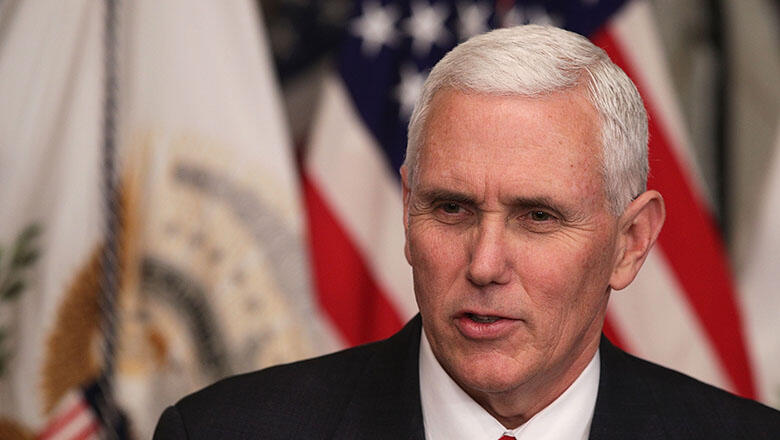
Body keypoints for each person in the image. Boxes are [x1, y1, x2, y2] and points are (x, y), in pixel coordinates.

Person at [153, 25, 780, 439]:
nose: (484, 263)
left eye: (538, 217)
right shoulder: (222, 432)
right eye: (451, 209)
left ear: (631, 241)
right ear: (406, 213)